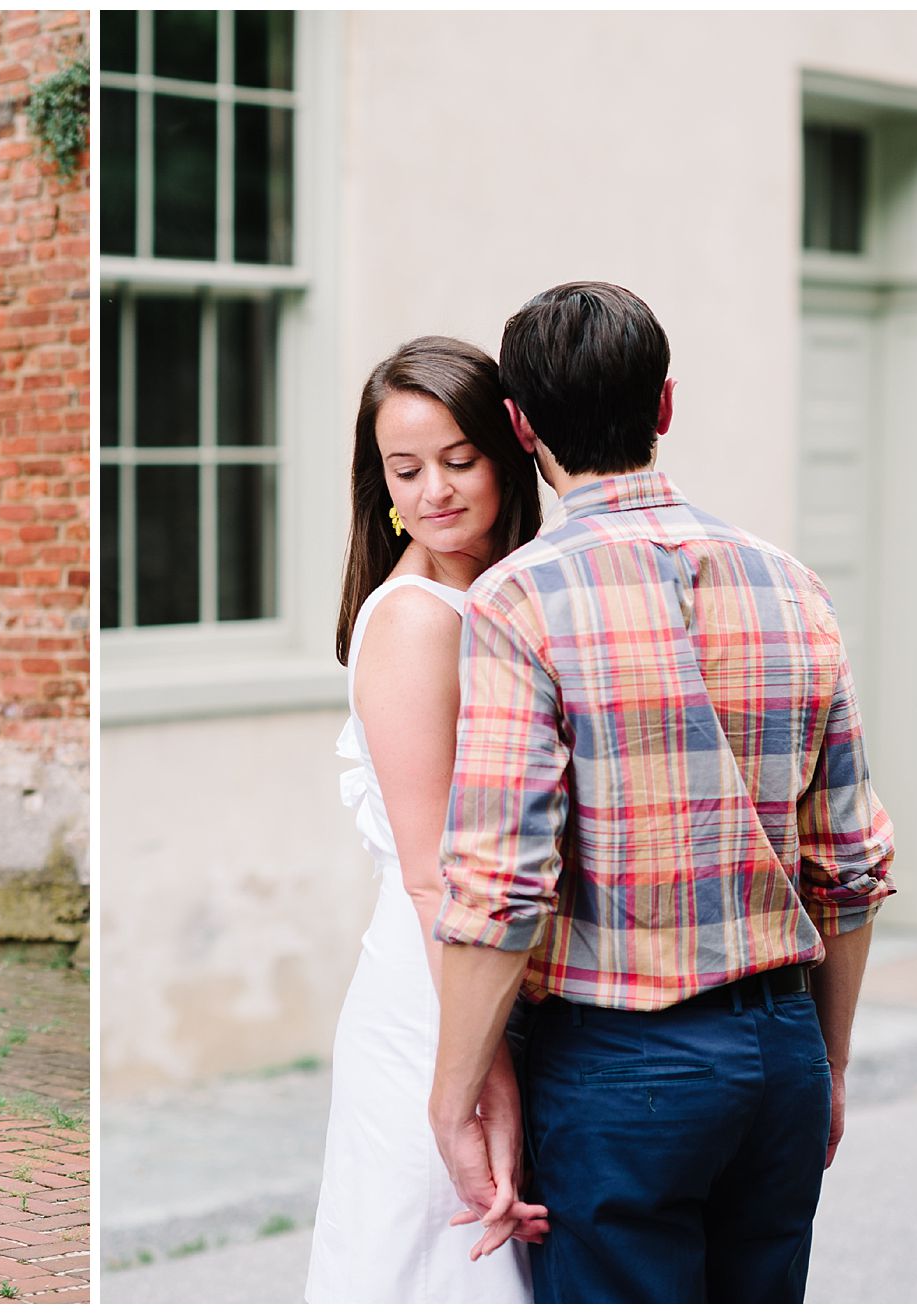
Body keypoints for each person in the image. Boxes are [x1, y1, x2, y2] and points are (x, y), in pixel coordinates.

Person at [427, 282, 896, 1303]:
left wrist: (451, 1100)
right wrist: (831, 1064)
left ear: (519, 425)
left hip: (619, 1069)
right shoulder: (792, 584)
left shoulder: (518, 599)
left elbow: (503, 887)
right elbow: (850, 866)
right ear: (665, 406)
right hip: (782, 1052)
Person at [306, 337, 548, 1303]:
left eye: (459, 459)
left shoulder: (497, 597)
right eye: (406, 471)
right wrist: (476, 1066)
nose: (435, 492)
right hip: (433, 999)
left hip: (488, 981)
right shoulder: (415, 618)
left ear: (507, 452)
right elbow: (429, 873)